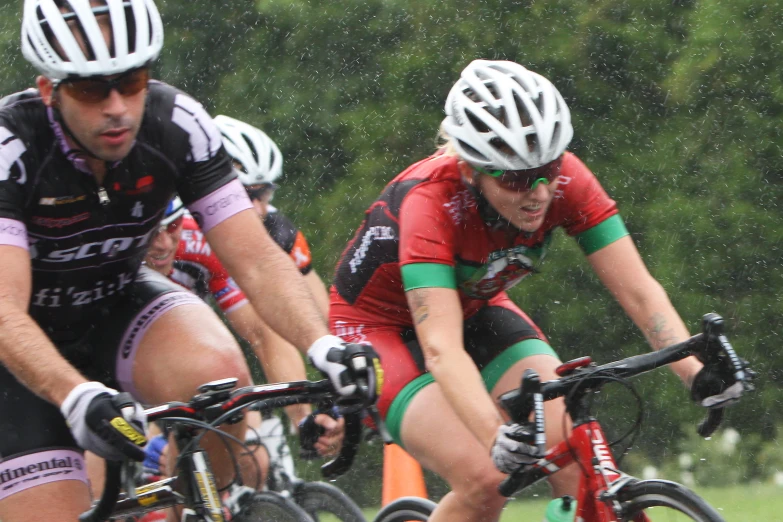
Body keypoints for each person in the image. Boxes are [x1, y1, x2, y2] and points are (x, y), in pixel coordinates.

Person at [0, 2, 374, 521]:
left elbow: (258, 258)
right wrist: (73, 393)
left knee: (218, 378)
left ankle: (183, 510)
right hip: (17, 348)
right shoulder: (11, 147)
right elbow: (5, 310)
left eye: (132, 82)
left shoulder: (175, 123)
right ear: (49, 91)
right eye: (91, 89)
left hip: (116, 305)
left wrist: (325, 344)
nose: (117, 108)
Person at [328, 59, 745, 521]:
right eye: (516, 178)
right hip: (380, 329)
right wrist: (493, 434)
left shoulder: (567, 181)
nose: (539, 192)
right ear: (471, 171)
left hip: (476, 307)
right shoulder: (431, 202)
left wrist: (695, 372)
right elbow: (441, 348)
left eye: (547, 168)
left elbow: (640, 293)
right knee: (487, 478)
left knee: (582, 460)